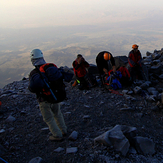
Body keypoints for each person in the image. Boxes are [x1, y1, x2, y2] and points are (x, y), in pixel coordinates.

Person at [28, 49, 67, 141]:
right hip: (55, 96)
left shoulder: (34, 73)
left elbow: (32, 88)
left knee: (48, 118)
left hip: (43, 99)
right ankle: (63, 130)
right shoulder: (49, 68)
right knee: (57, 113)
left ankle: (57, 135)